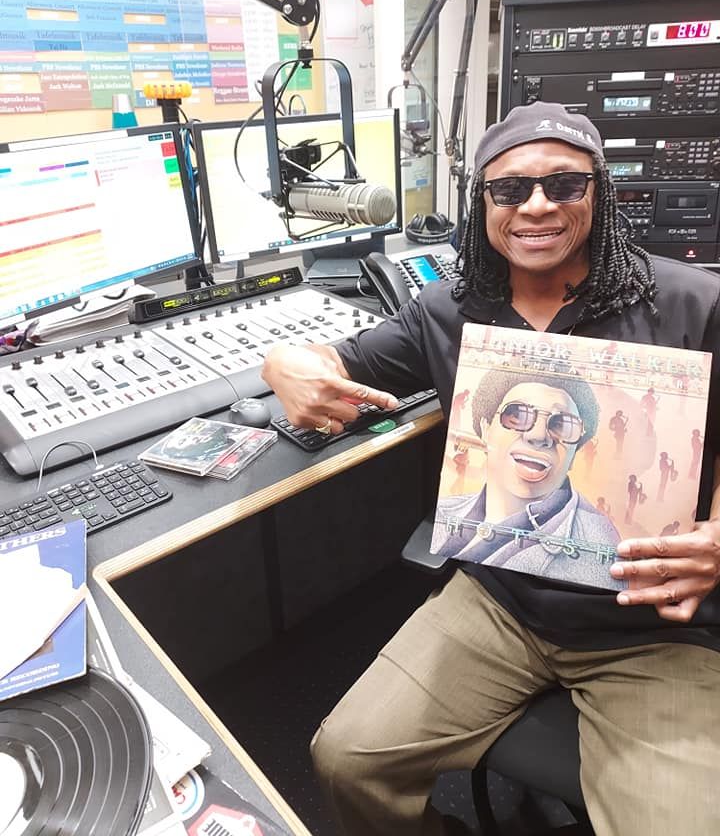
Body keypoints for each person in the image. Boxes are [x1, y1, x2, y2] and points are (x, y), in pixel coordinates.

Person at [261, 101, 720, 836]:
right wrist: (283, 362)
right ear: (482, 204)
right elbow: (333, 360)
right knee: (347, 759)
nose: (535, 206)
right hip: (501, 600)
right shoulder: (448, 310)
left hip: (649, 625)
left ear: (598, 193)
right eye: (509, 189)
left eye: (563, 185)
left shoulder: (694, 302)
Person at [433, 371, 622, 590]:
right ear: (485, 429)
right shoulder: (446, 511)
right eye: (517, 415)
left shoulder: (599, 544)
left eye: (562, 424)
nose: (538, 436)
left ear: (574, 454)